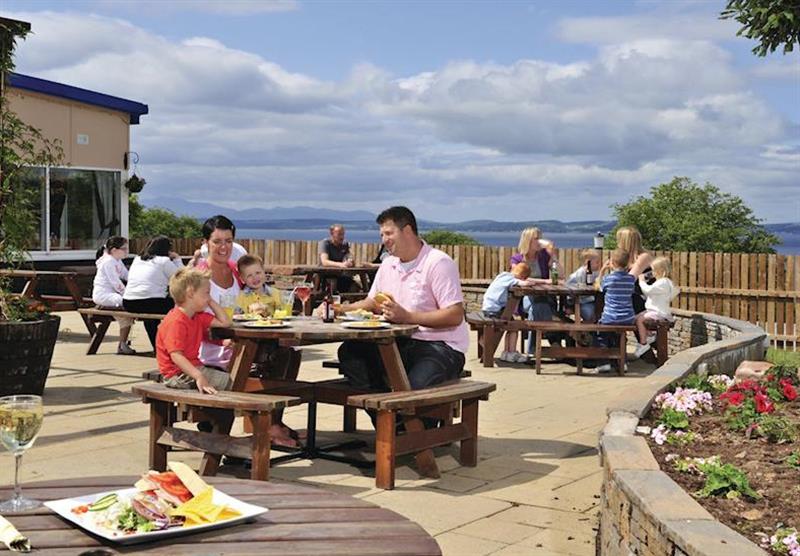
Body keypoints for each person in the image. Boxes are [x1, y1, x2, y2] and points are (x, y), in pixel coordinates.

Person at [334, 206, 469, 398]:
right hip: (399, 342)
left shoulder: (438, 263)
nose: (384, 240)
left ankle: (403, 424)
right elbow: (372, 302)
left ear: (407, 230)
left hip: (440, 346)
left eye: (389, 233)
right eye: (382, 234)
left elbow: (455, 315)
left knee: (413, 391)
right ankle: (390, 422)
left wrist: (407, 317)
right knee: (351, 353)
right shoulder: (389, 264)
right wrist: (340, 309)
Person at [235, 253, 303, 447]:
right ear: (242, 279)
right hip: (255, 347)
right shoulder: (242, 298)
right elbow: (237, 319)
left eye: (258, 273)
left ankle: (277, 421)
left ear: (264, 273)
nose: (255, 278)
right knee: (280, 359)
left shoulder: (274, 294)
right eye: (249, 276)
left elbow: (285, 314)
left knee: (293, 355)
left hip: (275, 341)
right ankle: (271, 424)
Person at [156, 268, 232, 393]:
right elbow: (176, 356)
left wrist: (210, 301)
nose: (209, 297)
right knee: (232, 382)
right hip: (178, 374)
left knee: (232, 379)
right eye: (207, 293)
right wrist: (198, 376)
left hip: (192, 368)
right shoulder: (176, 321)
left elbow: (225, 322)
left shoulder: (197, 316)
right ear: (190, 293)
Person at [190, 215, 242, 372]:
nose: (224, 247)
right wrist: (222, 341)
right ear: (206, 242)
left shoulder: (237, 271)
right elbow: (189, 321)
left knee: (288, 357)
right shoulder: (198, 276)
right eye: (217, 241)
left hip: (238, 353)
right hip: (206, 358)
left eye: (228, 241)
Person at [123, 236, 184, 349]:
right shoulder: (163, 261)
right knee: (182, 309)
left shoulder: (137, 259)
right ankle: (172, 345)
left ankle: (158, 347)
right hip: (151, 302)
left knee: (150, 319)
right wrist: (177, 259)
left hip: (129, 303)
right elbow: (181, 277)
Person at [92, 236, 135, 355]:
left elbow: (127, 276)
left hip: (112, 295)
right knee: (126, 303)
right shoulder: (108, 262)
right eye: (124, 249)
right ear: (115, 250)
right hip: (103, 295)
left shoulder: (117, 261)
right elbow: (115, 282)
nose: (127, 251)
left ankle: (122, 344)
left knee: (126, 316)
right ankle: (123, 344)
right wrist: (129, 295)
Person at [596, 249, 637, 373]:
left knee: (600, 334)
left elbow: (598, 287)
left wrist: (602, 270)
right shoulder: (630, 279)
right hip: (628, 318)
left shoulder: (609, 279)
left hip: (610, 317)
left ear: (612, 262)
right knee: (619, 336)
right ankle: (622, 362)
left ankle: (604, 363)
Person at [482, 262, 532, 363]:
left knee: (510, 320)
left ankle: (506, 352)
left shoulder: (502, 276)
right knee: (514, 326)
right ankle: (511, 352)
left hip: (488, 308)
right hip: (495, 310)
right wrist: (531, 283)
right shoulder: (510, 279)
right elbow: (524, 284)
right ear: (522, 276)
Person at [633, 257, 680, 358]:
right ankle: (649, 335)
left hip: (659, 313)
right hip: (655, 311)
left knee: (640, 320)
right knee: (636, 317)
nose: (652, 272)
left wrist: (642, 281)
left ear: (660, 270)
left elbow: (648, 290)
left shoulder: (663, 282)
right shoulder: (665, 282)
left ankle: (643, 343)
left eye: (654, 270)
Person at [615, 226, 653, 314]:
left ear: (625, 242)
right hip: (629, 296)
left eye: (619, 240)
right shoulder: (626, 259)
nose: (617, 244)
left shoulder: (643, 257)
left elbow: (629, 280)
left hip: (642, 299)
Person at [565, 249, 601, 323]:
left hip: (591, 300)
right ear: (588, 262)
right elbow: (568, 287)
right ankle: (583, 331)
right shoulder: (580, 274)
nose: (598, 265)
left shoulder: (595, 273)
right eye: (597, 262)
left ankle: (589, 331)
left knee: (600, 311)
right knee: (590, 314)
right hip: (580, 302)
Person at [319, 223, 355, 292]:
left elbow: (348, 257)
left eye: (343, 234)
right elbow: (324, 262)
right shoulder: (325, 243)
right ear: (332, 234)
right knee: (333, 286)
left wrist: (350, 262)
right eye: (339, 234)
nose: (342, 237)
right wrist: (341, 264)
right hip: (326, 275)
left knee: (355, 288)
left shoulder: (345, 244)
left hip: (341, 275)